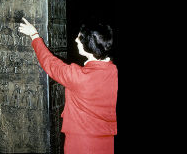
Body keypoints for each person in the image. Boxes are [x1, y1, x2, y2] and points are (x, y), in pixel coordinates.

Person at [18, 17, 117, 154]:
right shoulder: (114, 72)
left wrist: (34, 35)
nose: (76, 40)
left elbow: (50, 63)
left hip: (81, 143)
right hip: (107, 142)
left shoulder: (79, 77)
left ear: (90, 45)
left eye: (80, 38)